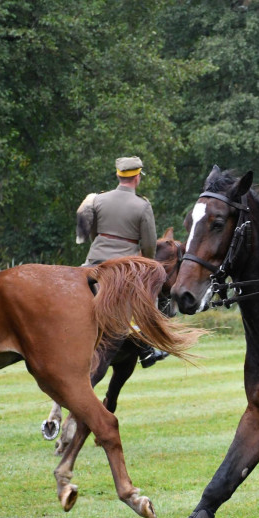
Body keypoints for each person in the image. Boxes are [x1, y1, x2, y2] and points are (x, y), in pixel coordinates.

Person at [80, 156, 165, 367]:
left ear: (118, 176)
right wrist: (147, 264)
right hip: (123, 267)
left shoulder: (99, 200)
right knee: (146, 299)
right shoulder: (142, 205)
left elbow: (93, 233)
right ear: (137, 177)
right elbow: (149, 244)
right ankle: (147, 348)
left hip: (93, 261)